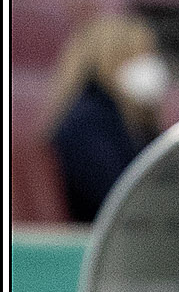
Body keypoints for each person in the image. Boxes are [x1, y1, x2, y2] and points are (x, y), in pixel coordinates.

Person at [50, 13, 169, 222]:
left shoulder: (131, 120)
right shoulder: (86, 121)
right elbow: (119, 195)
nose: (150, 65)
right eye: (141, 55)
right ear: (112, 61)